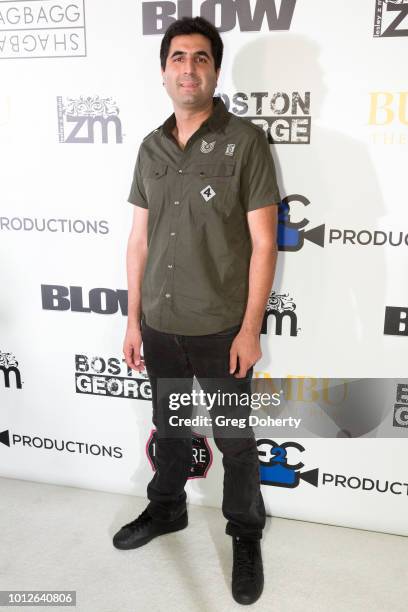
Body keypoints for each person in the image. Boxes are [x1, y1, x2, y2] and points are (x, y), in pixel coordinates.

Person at [113, 16, 281, 606]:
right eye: (178, 57)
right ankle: (167, 511)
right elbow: (139, 240)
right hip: (159, 324)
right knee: (172, 428)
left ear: (214, 69)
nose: (189, 68)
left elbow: (264, 243)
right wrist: (133, 320)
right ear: (164, 71)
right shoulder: (150, 146)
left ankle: (246, 533)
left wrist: (250, 329)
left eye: (201, 58)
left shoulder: (246, 142)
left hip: (219, 330)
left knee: (234, 441)